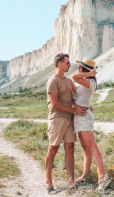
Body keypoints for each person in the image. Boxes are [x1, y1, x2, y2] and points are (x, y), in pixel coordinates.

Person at [44, 53, 88, 195]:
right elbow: (55, 103)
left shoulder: (68, 81)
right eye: (67, 63)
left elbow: (72, 99)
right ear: (59, 64)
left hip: (69, 118)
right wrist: (74, 110)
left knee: (70, 149)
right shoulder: (53, 80)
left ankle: (71, 182)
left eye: (69, 63)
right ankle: (48, 182)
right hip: (56, 119)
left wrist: (83, 107)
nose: (70, 65)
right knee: (53, 150)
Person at [71, 58, 111, 190]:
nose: (78, 69)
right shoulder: (86, 82)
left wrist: (90, 73)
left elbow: (73, 76)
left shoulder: (90, 81)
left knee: (93, 147)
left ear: (84, 69)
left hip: (84, 117)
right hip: (80, 116)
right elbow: (80, 97)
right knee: (86, 148)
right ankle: (85, 174)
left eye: (80, 67)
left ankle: (102, 178)